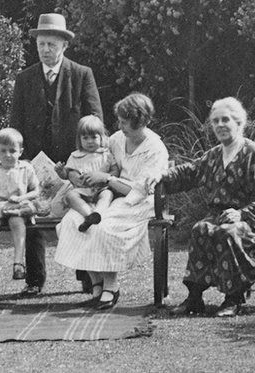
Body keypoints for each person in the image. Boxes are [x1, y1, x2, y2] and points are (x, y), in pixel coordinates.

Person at [160, 97, 255, 317]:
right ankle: (194, 298)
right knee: (201, 229)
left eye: (225, 120)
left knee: (229, 232)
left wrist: (241, 214)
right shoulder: (214, 155)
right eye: (215, 121)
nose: (219, 125)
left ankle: (233, 298)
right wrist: (160, 177)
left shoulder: (254, 153)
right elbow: (189, 172)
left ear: (238, 122)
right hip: (222, 216)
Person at [10, 13, 103, 296]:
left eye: (51, 44)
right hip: (36, 162)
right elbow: (16, 124)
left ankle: (88, 277)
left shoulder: (81, 74)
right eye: (41, 44)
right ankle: (35, 280)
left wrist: (84, 158)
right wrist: (22, 160)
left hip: (74, 161)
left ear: (64, 45)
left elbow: (95, 118)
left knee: (78, 216)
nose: (46, 50)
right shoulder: (24, 79)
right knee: (33, 216)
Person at [54, 93, 169, 310]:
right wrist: (81, 176)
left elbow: (140, 190)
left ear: (139, 121)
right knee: (71, 222)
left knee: (102, 226)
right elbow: (95, 158)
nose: (120, 126)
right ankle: (97, 284)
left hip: (138, 202)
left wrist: (106, 178)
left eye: (125, 122)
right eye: (120, 121)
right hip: (109, 197)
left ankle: (111, 285)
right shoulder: (117, 139)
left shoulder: (154, 148)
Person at [0, 128, 41, 286]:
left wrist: (21, 197)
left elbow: (36, 191)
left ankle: (18, 264)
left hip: (17, 209)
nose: (8, 155)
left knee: (17, 224)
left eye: (12, 151)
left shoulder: (25, 169)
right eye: (3, 151)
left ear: (20, 152)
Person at [50, 115, 120, 232]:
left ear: (102, 138)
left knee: (107, 195)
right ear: (79, 139)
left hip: (100, 189)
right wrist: (60, 171)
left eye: (94, 137)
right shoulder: (75, 156)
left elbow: (115, 171)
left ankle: (98, 213)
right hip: (82, 190)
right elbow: (67, 175)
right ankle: (88, 215)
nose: (90, 141)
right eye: (85, 138)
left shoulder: (106, 154)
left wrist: (106, 177)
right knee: (71, 195)